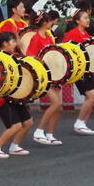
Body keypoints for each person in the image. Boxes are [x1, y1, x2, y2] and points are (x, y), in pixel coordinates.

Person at [0, 32, 34, 158]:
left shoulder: (13, 57)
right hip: (2, 97)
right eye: (13, 41)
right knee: (16, 125)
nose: (15, 44)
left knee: (28, 122)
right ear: (4, 43)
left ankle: (14, 146)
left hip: (14, 96)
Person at [27, 11, 62, 145]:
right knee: (56, 103)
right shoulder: (35, 38)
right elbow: (30, 57)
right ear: (45, 23)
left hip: (53, 75)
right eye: (50, 21)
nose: (52, 23)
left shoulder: (49, 36)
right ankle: (39, 130)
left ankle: (50, 134)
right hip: (43, 76)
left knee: (58, 106)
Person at [63, 9, 94, 135]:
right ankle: (79, 123)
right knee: (92, 96)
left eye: (88, 18)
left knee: (92, 98)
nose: (88, 20)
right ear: (77, 21)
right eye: (84, 18)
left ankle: (82, 123)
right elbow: (65, 51)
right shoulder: (72, 34)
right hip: (79, 70)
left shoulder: (86, 34)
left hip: (88, 70)